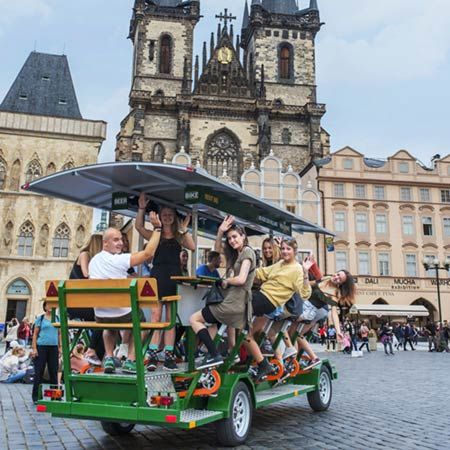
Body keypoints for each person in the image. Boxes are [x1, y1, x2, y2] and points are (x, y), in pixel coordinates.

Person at [89, 220, 162, 374]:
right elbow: (148, 253)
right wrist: (157, 229)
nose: (121, 243)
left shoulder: (93, 261)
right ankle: (130, 359)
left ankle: (109, 357)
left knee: (109, 324)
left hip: (100, 315)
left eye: (121, 239)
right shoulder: (119, 260)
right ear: (105, 243)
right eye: (116, 240)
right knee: (142, 324)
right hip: (123, 314)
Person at [136, 193, 195, 371]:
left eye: (170, 214)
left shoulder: (179, 235)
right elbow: (138, 227)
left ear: (174, 217)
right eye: (165, 214)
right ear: (160, 217)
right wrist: (141, 208)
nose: (167, 217)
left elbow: (192, 247)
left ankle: (168, 354)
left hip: (173, 276)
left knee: (170, 318)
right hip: (158, 275)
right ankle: (153, 354)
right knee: (155, 315)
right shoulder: (156, 234)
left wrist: (184, 228)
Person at [190, 216, 256, 369]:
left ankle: (214, 355)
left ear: (243, 236)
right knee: (217, 324)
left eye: (235, 237)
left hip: (233, 303)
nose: (232, 240)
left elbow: (241, 279)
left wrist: (225, 281)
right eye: (230, 238)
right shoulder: (236, 254)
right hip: (235, 304)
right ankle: (227, 353)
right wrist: (220, 231)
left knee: (194, 319)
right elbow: (217, 250)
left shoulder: (247, 252)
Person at [246, 237, 313, 380]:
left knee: (236, 307)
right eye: (283, 248)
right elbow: (262, 273)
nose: (284, 251)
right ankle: (264, 363)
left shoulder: (297, 269)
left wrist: (306, 273)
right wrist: (245, 267)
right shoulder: (280, 264)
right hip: (264, 298)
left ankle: (275, 355)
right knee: (248, 333)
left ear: (295, 251)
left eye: (288, 249)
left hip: (270, 301)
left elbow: (305, 294)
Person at [291, 270, 356, 368]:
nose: (336, 277)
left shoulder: (335, 293)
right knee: (293, 334)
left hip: (309, 312)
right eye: (337, 274)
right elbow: (310, 284)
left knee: (296, 335)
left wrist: (338, 331)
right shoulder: (326, 278)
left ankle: (299, 361)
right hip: (302, 304)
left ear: (341, 284)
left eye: (340, 279)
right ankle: (296, 360)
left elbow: (334, 313)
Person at [67, 234, 104, 366]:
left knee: (103, 327)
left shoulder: (91, 258)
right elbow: (86, 274)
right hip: (78, 304)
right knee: (104, 317)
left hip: (86, 303)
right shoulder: (85, 254)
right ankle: (92, 351)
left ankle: (97, 358)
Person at [31, 301, 61, 403]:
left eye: (52, 305)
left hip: (54, 348)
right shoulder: (41, 318)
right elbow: (35, 334)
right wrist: (34, 348)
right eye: (48, 304)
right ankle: (36, 397)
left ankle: (55, 396)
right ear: (44, 306)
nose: (50, 306)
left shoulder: (57, 318)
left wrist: (60, 347)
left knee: (54, 371)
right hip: (41, 347)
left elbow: (59, 334)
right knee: (39, 372)